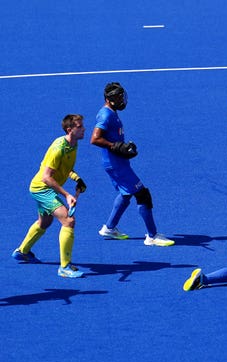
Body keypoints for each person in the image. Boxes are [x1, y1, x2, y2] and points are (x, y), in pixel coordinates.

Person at [91, 82, 174, 246]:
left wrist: (122, 146)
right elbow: (95, 138)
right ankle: (152, 236)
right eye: (117, 97)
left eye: (122, 96)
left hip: (119, 161)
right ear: (108, 99)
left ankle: (109, 228)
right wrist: (115, 146)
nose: (121, 99)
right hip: (116, 164)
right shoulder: (105, 115)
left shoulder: (111, 112)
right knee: (143, 195)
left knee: (126, 193)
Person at [12, 114, 88, 278]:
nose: (84, 129)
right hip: (42, 189)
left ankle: (22, 251)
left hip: (45, 188)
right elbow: (47, 177)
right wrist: (67, 195)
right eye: (80, 126)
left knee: (44, 222)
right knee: (68, 220)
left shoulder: (73, 145)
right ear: (70, 130)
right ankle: (65, 267)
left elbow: (66, 168)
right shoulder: (58, 148)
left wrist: (77, 179)